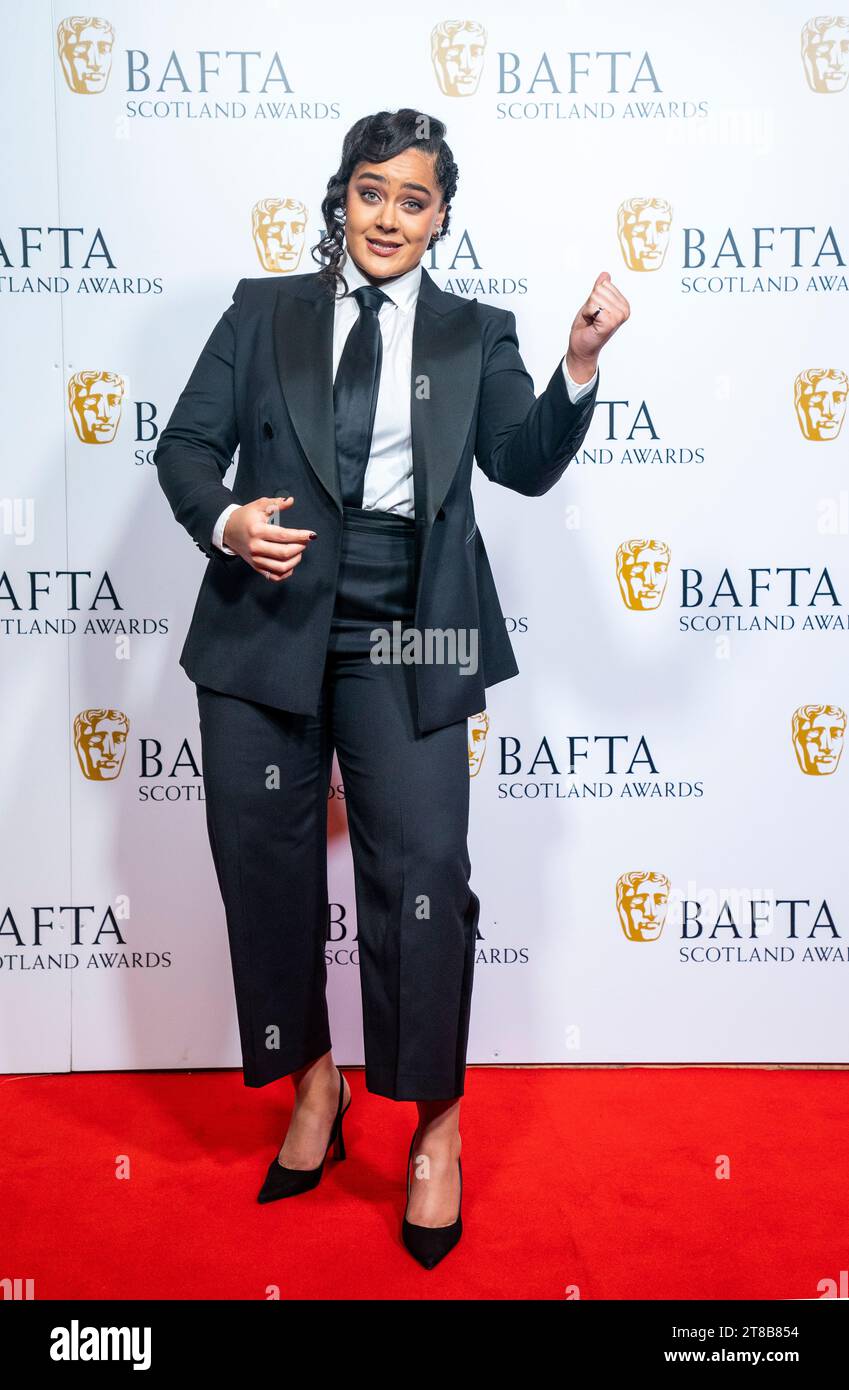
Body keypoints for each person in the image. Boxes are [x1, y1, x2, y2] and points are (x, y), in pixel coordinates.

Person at [153, 107, 629, 1269]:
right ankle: (316, 1085)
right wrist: (224, 520)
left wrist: (577, 364)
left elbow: (516, 463)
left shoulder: (478, 332)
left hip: (409, 628)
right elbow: (184, 447)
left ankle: (437, 1129)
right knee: (259, 867)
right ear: (344, 196)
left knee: (421, 875)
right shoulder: (263, 311)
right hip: (268, 618)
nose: (388, 217)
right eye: (372, 192)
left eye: (413, 201)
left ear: (440, 219)